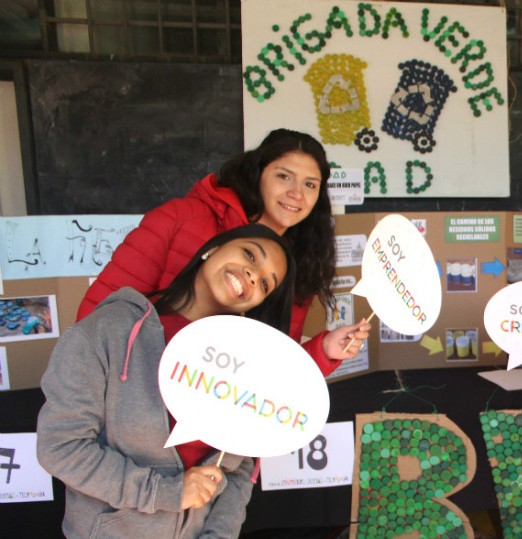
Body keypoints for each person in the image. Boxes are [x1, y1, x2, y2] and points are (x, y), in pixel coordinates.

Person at [37, 224, 296, 539]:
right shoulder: (107, 333)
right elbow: (60, 447)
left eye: (266, 282)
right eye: (250, 254)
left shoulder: (246, 368)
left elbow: (239, 476)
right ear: (207, 249)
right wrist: (165, 492)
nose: (253, 275)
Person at [78, 128, 369, 372]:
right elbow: (96, 320)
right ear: (258, 173)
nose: (297, 194)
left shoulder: (298, 264)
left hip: (214, 426)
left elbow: (273, 369)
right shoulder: (182, 217)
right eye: (284, 176)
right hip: (137, 411)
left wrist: (324, 350)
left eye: (310, 184)